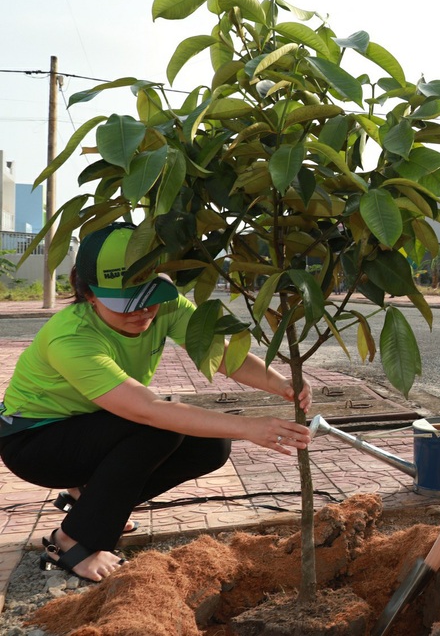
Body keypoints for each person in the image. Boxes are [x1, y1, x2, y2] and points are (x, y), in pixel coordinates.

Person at [0, 222, 312, 583]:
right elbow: (147, 410)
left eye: (149, 298)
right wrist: (251, 427)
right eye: (124, 304)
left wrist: (283, 385)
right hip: (35, 443)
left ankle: (93, 503)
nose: (142, 312)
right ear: (88, 294)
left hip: (93, 426)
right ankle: (72, 540)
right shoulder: (70, 338)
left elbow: (220, 354)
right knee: (158, 429)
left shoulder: (167, 307)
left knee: (210, 446)